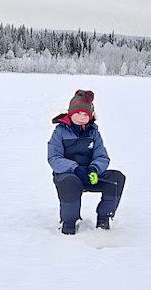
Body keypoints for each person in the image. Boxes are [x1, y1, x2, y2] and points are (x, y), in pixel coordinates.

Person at [48, 89, 126, 235]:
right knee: (70, 182)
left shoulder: (94, 132)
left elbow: (102, 156)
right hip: (68, 175)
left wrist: (94, 169)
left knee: (116, 179)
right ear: (70, 113)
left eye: (86, 114)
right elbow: (54, 158)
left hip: (90, 174)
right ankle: (69, 223)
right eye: (78, 113)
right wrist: (75, 169)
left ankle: (104, 220)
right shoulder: (60, 132)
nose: (82, 118)